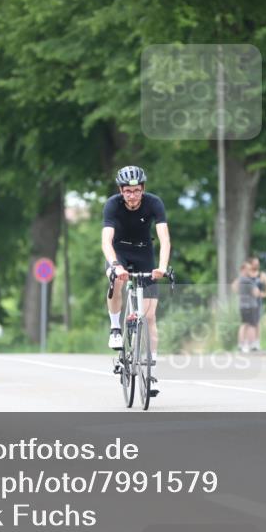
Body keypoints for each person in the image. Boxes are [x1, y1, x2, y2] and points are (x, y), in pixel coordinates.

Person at [102, 165, 171, 397]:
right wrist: (114, 265)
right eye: (127, 191)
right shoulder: (112, 205)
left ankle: (150, 371)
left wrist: (161, 267)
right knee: (117, 281)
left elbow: (164, 237)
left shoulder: (154, 203)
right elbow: (106, 241)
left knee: (149, 316)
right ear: (121, 190)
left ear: (143, 189)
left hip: (144, 253)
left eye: (136, 190)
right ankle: (115, 328)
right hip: (119, 252)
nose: (132, 195)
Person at [242, 256, 266, 352]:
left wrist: (264, 294)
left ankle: (256, 342)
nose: (257, 265)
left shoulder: (261, 275)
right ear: (251, 264)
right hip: (247, 303)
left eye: (258, 263)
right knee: (247, 323)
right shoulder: (247, 275)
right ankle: (247, 343)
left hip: (257, 302)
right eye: (255, 263)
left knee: (256, 323)